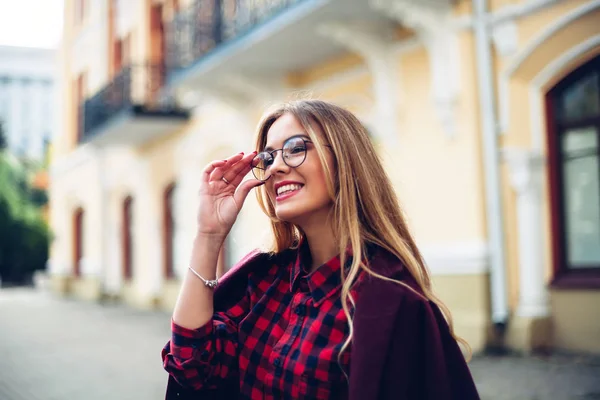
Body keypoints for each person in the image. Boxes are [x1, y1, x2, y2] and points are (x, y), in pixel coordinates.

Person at [161, 100, 480, 399]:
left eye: (295, 148)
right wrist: (209, 234)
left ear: (345, 159)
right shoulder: (262, 280)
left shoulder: (394, 304)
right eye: (269, 157)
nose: (275, 168)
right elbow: (192, 366)